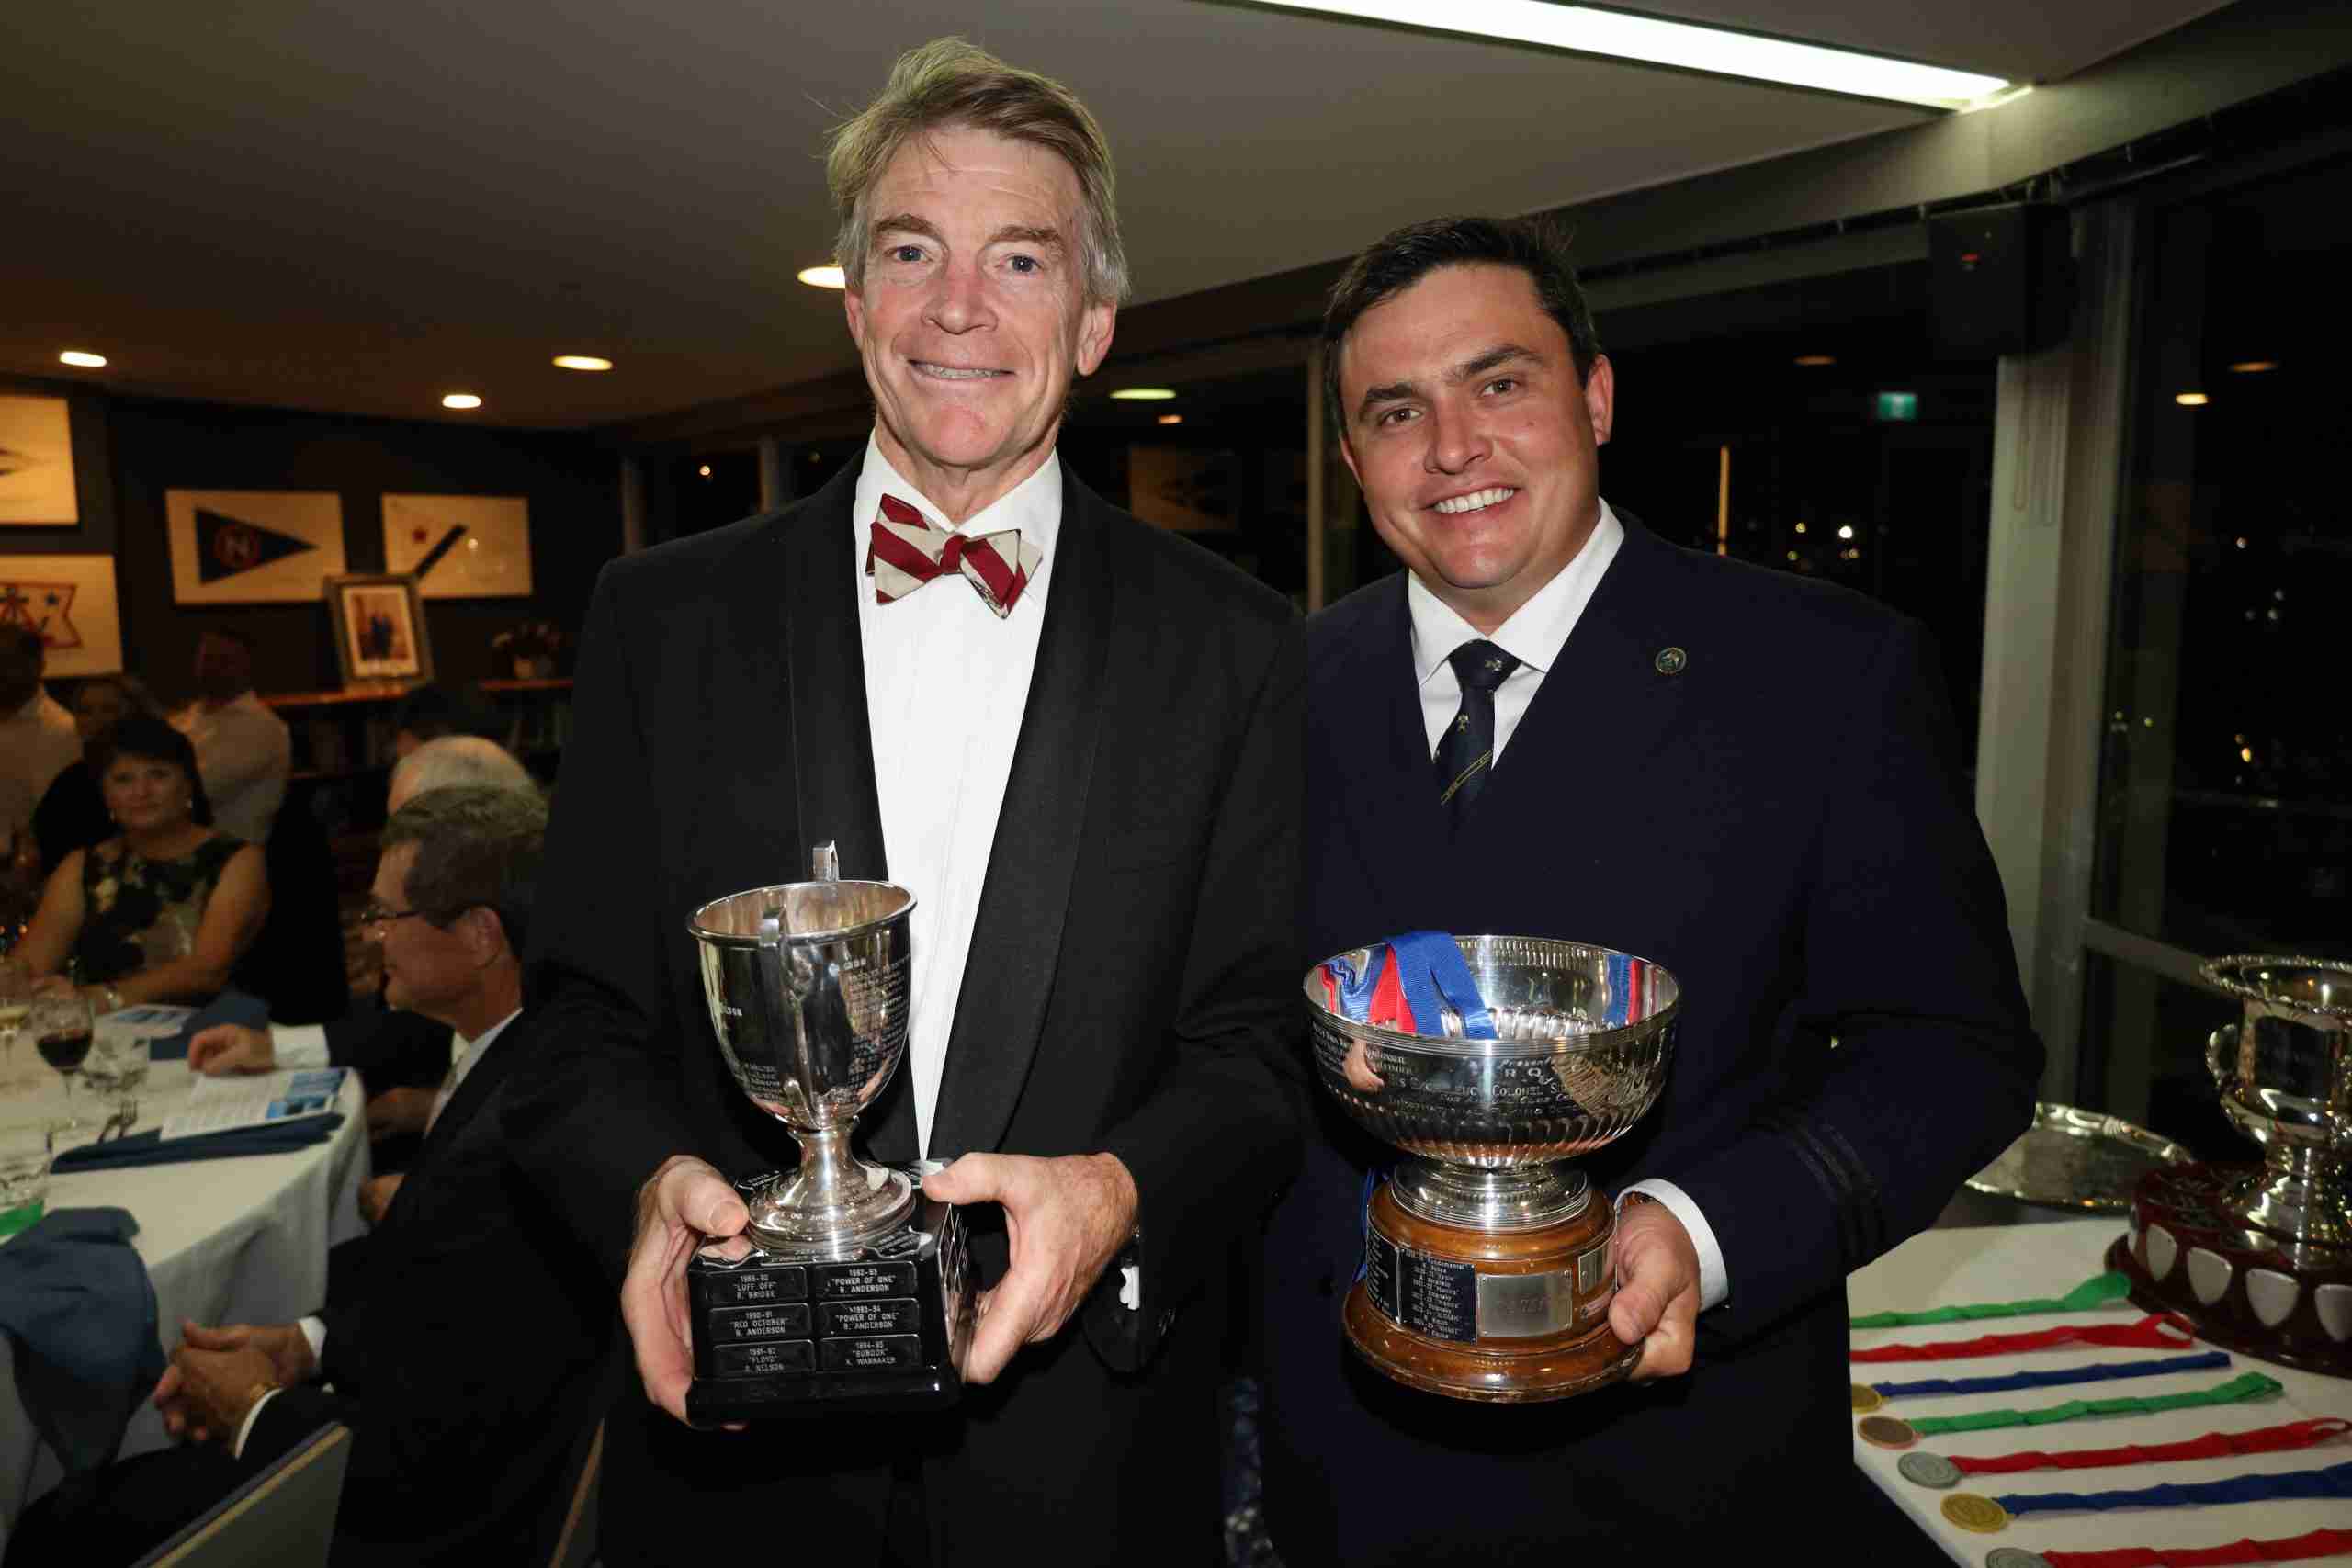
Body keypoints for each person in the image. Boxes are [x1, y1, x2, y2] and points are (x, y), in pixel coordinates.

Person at [501, 37, 1302, 1566]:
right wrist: (650, 1185)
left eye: (1021, 259)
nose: (957, 306)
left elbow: (1257, 1043)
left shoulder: (1236, 641)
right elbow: (576, 1025)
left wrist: (1122, 1188)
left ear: (1093, 323)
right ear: (856, 303)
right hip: (736, 1473)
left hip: (1089, 1469)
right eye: (911, 251)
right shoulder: (662, 620)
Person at [1257, 217, 2043, 1562]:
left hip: (1680, 1472)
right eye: (1396, 410)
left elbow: (1954, 1050)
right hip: (1346, 1453)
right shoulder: (1276, 689)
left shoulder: (1824, 674)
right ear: (1350, 458)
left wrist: (1707, 1227)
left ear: (1597, 397)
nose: (1452, 446)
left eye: (1499, 383)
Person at [6, 784, 616, 1567]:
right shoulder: (528, 1055)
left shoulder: (509, 1145)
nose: (369, 936)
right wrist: (307, 1341)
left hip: (424, 1530)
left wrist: (254, 1408)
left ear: (480, 934)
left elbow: (424, 1461)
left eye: (385, 914)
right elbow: (439, 1318)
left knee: (57, 1528)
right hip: (418, 1447)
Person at [190, 735, 542, 1191]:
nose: (370, 935)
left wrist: (426, 1198)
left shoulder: (553, 1047)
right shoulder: (487, 1008)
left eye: (414, 825)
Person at [16, 715, 268, 1009]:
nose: (141, 792)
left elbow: (206, 971)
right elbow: (26, 970)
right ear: (105, 794)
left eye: (158, 775)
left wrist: (101, 998)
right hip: (102, 1031)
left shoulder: (236, 860)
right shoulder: (83, 866)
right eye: (123, 779)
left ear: (188, 785)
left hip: (215, 1028)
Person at [33, 673, 164, 872]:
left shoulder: (159, 771)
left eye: (109, 709)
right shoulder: (70, 779)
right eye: (85, 711)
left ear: (136, 713)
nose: (97, 719)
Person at [173, 627, 292, 845]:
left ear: (247, 667)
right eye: (208, 658)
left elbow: (194, 789)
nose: (213, 667)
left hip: (230, 854)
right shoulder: (184, 719)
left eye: (225, 660)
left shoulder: (263, 729)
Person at [0, 627, 80, 855]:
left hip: (33, 861)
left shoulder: (62, 729)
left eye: (7, 663)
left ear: (38, 666)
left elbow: (61, 814)